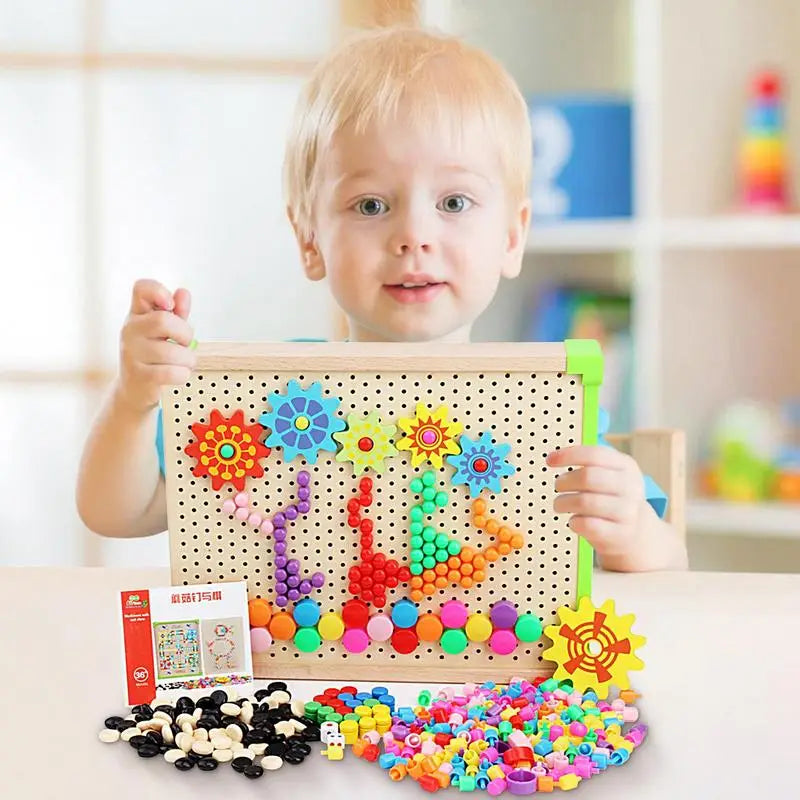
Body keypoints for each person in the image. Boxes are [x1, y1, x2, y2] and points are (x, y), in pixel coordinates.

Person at [76, 26, 688, 573]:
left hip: (488, 697)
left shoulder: (544, 409)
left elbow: (673, 563)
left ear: (512, 236)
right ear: (309, 240)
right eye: (371, 205)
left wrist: (632, 529)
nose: (413, 236)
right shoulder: (270, 401)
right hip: (285, 693)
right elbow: (115, 513)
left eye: (453, 203)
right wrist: (134, 401)